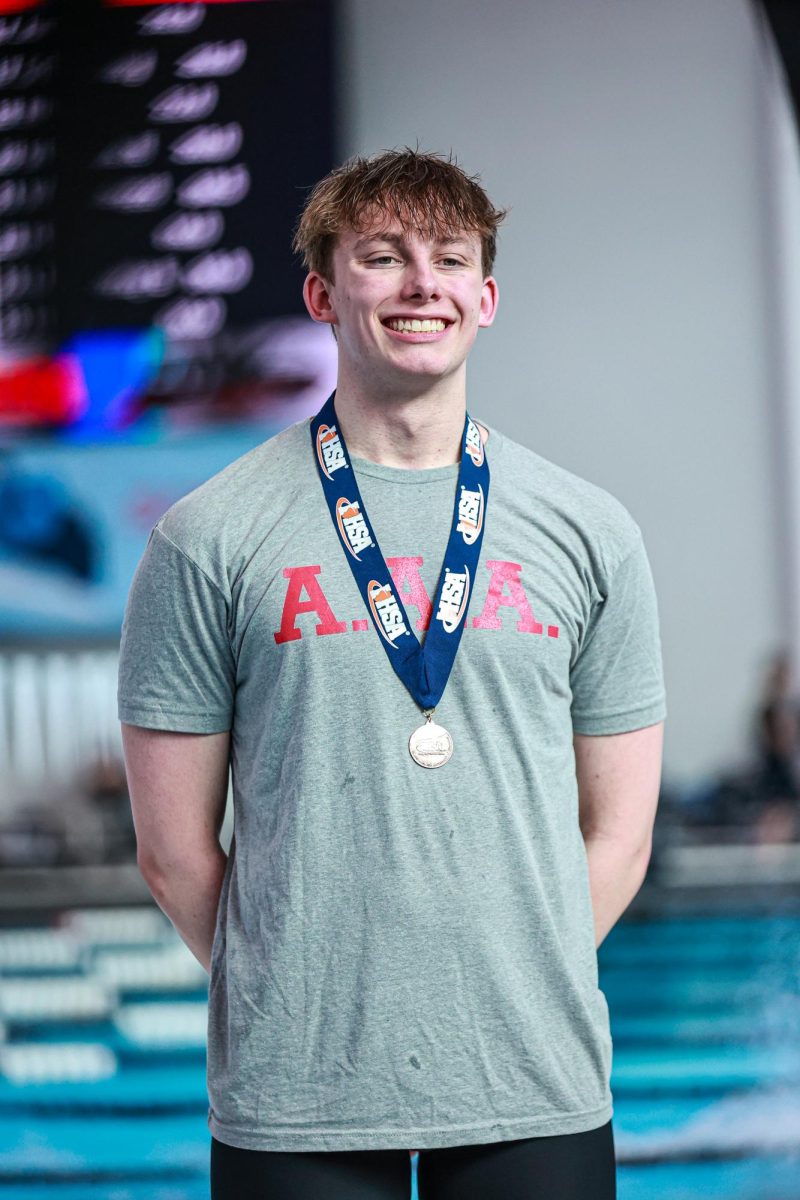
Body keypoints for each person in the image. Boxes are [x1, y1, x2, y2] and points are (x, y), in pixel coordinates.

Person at [117, 149, 666, 1200]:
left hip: (530, 1077)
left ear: (484, 297)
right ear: (323, 294)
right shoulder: (207, 538)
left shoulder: (589, 533)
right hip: (298, 1094)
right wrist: (296, 981)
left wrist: (509, 964)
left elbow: (620, 833)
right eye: (382, 257)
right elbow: (171, 852)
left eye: (447, 258)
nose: (421, 283)